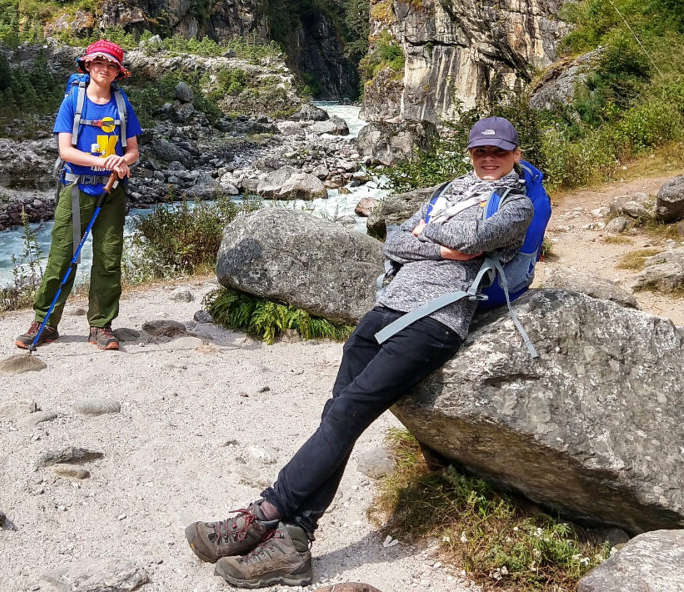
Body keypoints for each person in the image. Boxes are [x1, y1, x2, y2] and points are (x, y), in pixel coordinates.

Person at [185, 117, 534, 588]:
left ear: (515, 154)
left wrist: (425, 238)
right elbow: (393, 237)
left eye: (498, 152)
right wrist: (432, 244)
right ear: (470, 154)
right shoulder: (450, 190)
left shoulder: (516, 205)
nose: (488, 160)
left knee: (346, 413)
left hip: (435, 320)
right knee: (337, 416)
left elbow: (471, 242)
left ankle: (263, 516)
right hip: (387, 309)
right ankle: (293, 542)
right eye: (479, 152)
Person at [15, 40, 142, 352]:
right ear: (87, 66)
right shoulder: (73, 101)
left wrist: (120, 163)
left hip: (111, 191)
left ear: (118, 72)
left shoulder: (123, 106)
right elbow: (65, 150)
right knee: (63, 257)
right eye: (97, 62)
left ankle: (101, 325)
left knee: (108, 259)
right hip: (76, 190)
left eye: (110, 64)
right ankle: (44, 324)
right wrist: (104, 161)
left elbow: (134, 151)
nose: (103, 68)